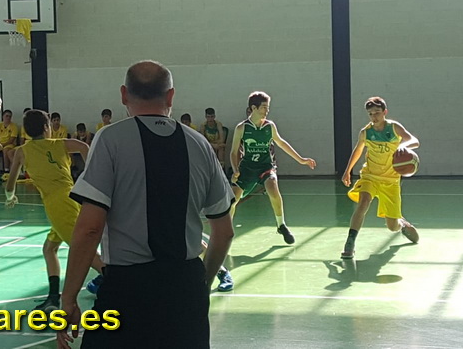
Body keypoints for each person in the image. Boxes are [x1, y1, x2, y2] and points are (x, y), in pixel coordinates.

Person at [58, 60, 234, 348]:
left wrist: (68, 299)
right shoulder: (200, 144)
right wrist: (202, 283)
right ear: (171, 96)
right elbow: (224, 232)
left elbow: (90, 229)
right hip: (186, 286)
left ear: (124, 95)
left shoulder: (109, 139)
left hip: (128, 288)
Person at [4, 110, 104, 313]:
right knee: (49, 249)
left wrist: (10, 197)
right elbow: (84, 147)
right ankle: (52, 297)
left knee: (83, 251)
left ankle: (117, 281)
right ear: (46, 127)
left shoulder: (22, 151)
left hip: (58, 206)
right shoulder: (59, 144)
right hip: (70, 199)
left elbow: (10, 183)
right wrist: (90, 172)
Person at [229, 91, 316, 244]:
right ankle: (226, 231)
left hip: (266, 166)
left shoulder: (270, 126)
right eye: (264, 107)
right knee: (232, 201)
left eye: (268, 107)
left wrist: (301, 160)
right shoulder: (241, 128)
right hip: (247, 168)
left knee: (273, 187)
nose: (267, 110)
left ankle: (281, 225)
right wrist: (236, 170)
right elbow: (234, 152)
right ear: (253, 108)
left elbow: (281, 143)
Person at [340, 96, 420, 259]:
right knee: (363, 203)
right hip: (370, 176)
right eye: (370, 114)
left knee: (392, 226)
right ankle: (350, 243)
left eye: (377, 112)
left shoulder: (394, 127)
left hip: (391, 181)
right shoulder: (366, 132)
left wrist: (402, 145)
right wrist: (347, 170)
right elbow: (358, 150)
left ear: (385, 112)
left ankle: (401, 224)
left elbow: (414, 141)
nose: (374, 117)